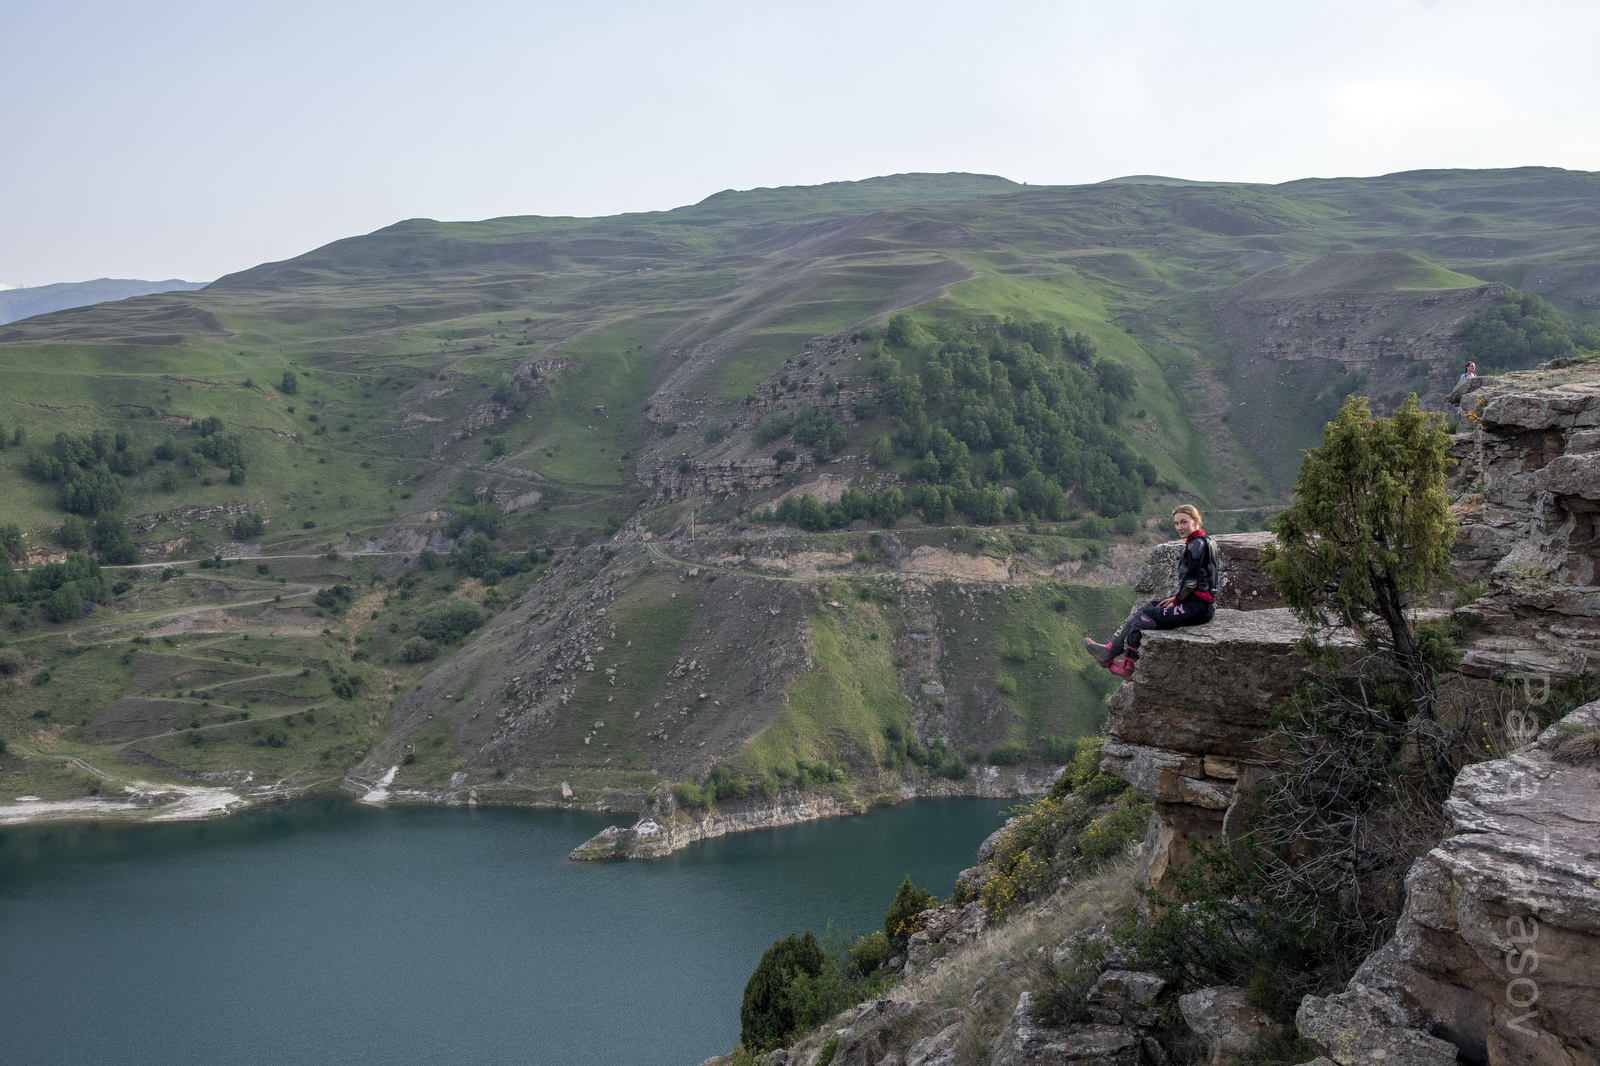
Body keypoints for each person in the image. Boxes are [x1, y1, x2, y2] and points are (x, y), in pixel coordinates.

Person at [1084, 505, 1216, 677]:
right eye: (1176, 523)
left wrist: (1176, 600)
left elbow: (1191, 583)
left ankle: (1128, 666)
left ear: (1196, 521)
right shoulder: (1204, 541)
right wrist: (1177, 599)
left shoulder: (1196, 546)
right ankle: (1109, 651)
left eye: (1184, 522)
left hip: (1197, 608)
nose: (1179, 527)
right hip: (1198, 605)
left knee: (1142, 619)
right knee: (1148, 608)